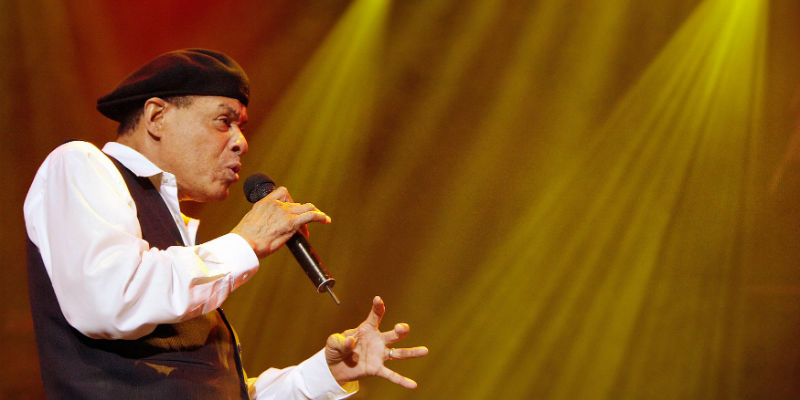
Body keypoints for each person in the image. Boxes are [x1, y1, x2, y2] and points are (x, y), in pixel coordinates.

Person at [24, 48, 427, 399]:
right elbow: (111, 299)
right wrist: (245, 242)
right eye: (223, 121)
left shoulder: (179, 243)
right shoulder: (80, 165)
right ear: (157, 117)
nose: (240, 142)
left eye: (241, 127)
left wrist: (324, 374)